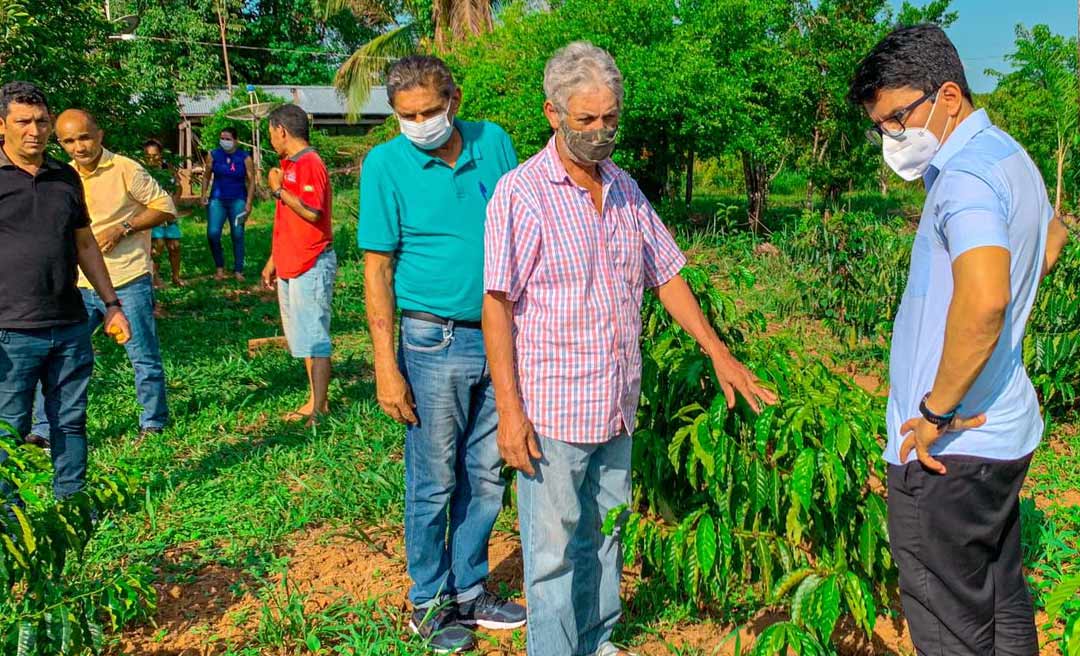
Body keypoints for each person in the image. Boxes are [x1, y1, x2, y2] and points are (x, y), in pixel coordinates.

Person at [483, 42, 777, 656]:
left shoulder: (624, 190)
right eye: (586, 120)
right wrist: (509, 412)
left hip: (616, 402)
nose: (600, 132)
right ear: (552, 113)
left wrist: (719, 352)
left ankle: (597, 640)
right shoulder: (521, 194)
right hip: (553, 411)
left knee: (605, 535)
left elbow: (666, 275)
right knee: (553, 551)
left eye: (610, 119)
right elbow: (498, 306)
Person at [849, 24, 1071, 655]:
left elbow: (985, 300)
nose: (891, 137)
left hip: (948, 453)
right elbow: (1046, 242)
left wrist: (933, 412)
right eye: (883, 124)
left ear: (947, 96)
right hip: (1000, 438)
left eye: (898, 117)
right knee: (1001, 602)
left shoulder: (966, 178)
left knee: (949, 625)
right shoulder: (1009, 157)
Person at [358, 55, 525, 653]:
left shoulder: (494, 142)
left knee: (484, 474)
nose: (421, 123)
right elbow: (377, 267)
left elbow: (521, 225)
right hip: (433, 341)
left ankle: (469, 587)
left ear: (454, 97)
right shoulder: (385, 164)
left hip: (501, 335)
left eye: (430, 110)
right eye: (408, 115)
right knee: (433, 478)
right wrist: (385, 364)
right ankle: (428, 598)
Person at [0, 81, 131, 499]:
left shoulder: (64, 177)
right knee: (9, 430)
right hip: (11, 331)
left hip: (69, 325)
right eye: (23, 122)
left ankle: (72, 503)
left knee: (70, 421)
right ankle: (8, 513)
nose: (34, 130)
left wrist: (111, 303)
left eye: (41, 121)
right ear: (2, 125)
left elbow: (85, 244)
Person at [27, 109, 175, 447]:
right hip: (77, 284)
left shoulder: (125, 168)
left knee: (143, 356)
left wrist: (123, 228)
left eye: (84, 137)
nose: (78, 147)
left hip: (126, 281)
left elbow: (165, 207)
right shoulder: (61, 175)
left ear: (100, 134)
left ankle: (153, 422)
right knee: (57, 357)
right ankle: (44, 429)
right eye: (68, 141)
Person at [260, 104, 335, 426]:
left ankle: (321, 406)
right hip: (291, 261)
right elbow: (289, 219)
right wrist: (274, 258)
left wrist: (278, 190)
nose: (270, 140)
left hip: (311, 261)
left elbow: (313, 212)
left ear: (281, 130)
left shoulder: (310, 164)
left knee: (314, 336)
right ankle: (313, 399)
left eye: (270, 134)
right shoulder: (288, 164)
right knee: (303, 336)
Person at [201, 126, 254, 281]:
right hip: (217, 199)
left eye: (228, 139)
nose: (224, 142)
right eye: (222, 138)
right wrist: (203, 194)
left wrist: (249, 202)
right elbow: (206, 176)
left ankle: (238, 270)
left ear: (236, 141)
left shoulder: (245, 157)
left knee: (237, 234)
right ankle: (219, 268)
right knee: (213, 233)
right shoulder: (213, 155)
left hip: (238, 199)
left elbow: (251, 181)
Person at [143, 139, 184, 287]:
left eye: (155, 155)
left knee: (175, 245)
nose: (152, 159)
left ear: (161, 154)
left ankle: (176, 277)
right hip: (153, 214)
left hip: (169, 214)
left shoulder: (168, 170)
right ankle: (155, 277)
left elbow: (178, 187)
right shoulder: (144, 173)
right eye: (148, 156)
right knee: (158, 245)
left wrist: (173, 204)